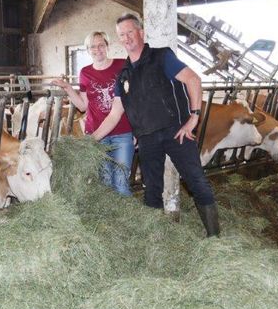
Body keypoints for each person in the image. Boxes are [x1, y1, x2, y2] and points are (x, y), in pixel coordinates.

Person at [91, 13, 220, 237]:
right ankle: (156, 239)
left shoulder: (162, 57)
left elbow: (193, 80)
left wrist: (194, 118)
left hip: (176, 131)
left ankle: (214, 236)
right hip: (147, 138)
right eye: (122, 35)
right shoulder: (123, 75)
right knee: (152, 190)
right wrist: (90, 140)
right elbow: (114, 114)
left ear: (141, 33)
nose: (126, 38)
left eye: (130, 32)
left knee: (196, 180)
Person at [51, 31, 134, 196]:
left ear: (107, 46)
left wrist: (137, 129)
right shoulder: (85, 73)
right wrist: (67, 88)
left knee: (121, 182)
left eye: (101, 45)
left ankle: (124, 219)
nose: (98, 49)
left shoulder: (122, 66)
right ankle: (109, 219)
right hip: (96, 134)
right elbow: (83, 106)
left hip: (122, 132)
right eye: (93, 47)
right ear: (88, 50)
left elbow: (133, 99)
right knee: (105, 182)